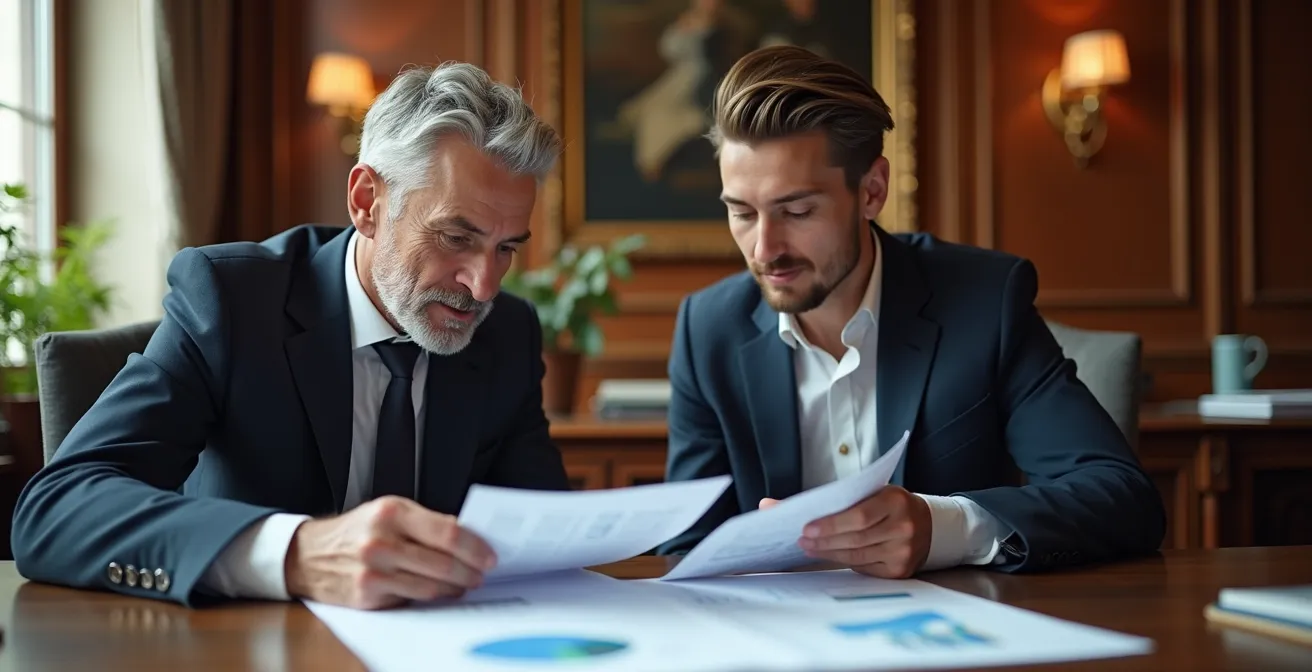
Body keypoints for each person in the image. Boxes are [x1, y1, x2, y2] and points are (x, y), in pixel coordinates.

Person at [11, 61, 571, 609]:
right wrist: (294, 553)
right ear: (366, 203)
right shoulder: (231, 302)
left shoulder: (507, 333)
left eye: (507, 248)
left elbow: (546, 533)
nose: (482, 287)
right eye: (455, 237)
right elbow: (55, 509)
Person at [657, 45, 1165, 577]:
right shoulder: (707, 328)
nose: (763, 249)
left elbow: (1122, 497)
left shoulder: (985, 302)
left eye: (798, 211)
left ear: (872, 191)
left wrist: (943, 528)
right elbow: (687, 544)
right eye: (741, 213)